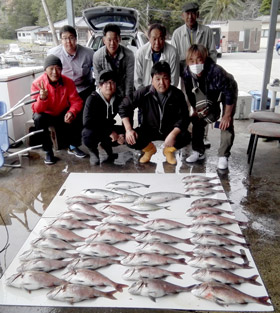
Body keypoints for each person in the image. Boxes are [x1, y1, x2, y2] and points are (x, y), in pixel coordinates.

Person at [119, 61, 191, 165]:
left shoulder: (177, 94)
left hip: (169, 131)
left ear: (170, 79)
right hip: (149, 130)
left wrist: (173, 134)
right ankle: (149, 150)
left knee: (186, 136)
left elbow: (184, 117)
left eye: (165, 78)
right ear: (152, 80)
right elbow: (123, 106)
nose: (161, 82)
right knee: (130, 139)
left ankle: (168, 151)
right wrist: (129, 129)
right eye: (157, 79)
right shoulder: (143, 92)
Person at [183, 44, 238, 170]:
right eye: (191, 60)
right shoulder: (187, 72)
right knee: (197, 120)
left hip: (226, 91)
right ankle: (198, 151)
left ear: (205, 58)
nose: (195, 63)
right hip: (206, 92)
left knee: (226, 123)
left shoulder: (216, 72)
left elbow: (229, 94)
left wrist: (227, 115)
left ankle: (223, 155)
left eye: (199, 59)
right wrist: (196, 110)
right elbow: (191, 94)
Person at [48, 25, 95, 158]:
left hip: (84, 88)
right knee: (64, 113)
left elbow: (97, 72)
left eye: (71, 38)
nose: (68, 42)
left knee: (86, 112)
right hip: (63, 90)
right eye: (64, 38)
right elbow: (48, 75)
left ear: (76, 38)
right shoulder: (53, 54)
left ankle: (84, 141)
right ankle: (70, 144)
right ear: (60, 40)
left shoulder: (89, 53)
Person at [31, 55, 84, 165]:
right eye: (51, 68)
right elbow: (36, 109)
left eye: (58, 68)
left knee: (78, 113)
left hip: (61, 112)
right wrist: (42, 98)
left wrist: (71, 112)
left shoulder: (68, 82)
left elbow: (76, 101)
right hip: (46, 114)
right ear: (45, 70)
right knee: (38, 118)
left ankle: (73, 146)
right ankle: (48, 151)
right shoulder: (37, 83)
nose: (55, 72)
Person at [82, 70, 125, 165]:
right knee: (87, 134)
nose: (109, 86)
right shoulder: (92, 99)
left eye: (112, 82)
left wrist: (121, 133)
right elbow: (87, 122)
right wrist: (109, 132)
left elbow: (124, 115)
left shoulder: (118, 99)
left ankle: (107, 148)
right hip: (95, 128)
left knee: (128, 132)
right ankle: (93, 152)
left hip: (107, 126)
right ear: (99, 85)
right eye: (105, 83)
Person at [171, 2, 217, 75]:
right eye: (187, 13)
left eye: (193, 13)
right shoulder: (177, 34)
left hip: (204, 72)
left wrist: (208, 69)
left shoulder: (207, 31)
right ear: (182, 15)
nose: (190, 17)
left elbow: (213, 53)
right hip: (185, 73)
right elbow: (173, 56)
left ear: (197, 15)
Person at [93, 23, 135, 99]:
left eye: (115, 39)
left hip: (123, 92)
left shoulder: (129, 55)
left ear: (119, 39)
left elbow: (130, 80)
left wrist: (127, 100)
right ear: (104, 40)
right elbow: (98, 81)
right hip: (106, 93)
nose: (112, 43)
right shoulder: (97, 56)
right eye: (109, 40)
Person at [134, 23, 179, 89]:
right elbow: (137, 80)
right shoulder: (140, 53)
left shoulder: (172, 53)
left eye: (160, 39)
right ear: (149, 38)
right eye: (154, 39)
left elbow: (174, 81)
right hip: (146, 93)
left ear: (164, 38)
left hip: (166, 93)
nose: (157, 43)